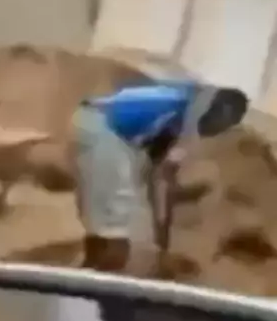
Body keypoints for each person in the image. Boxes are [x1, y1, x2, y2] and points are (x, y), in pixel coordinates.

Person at [72, 80, 249, 274]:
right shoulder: (187, 114)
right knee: (117, 230)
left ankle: (88, 269)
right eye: (222, 124)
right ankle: (98, 276)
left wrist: (162, 239)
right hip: (106, 129)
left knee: (108, 217)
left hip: (95, 121)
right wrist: (163, 245)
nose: (217, 130)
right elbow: (161, 182)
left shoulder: (186, 99)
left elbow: (157, 176)